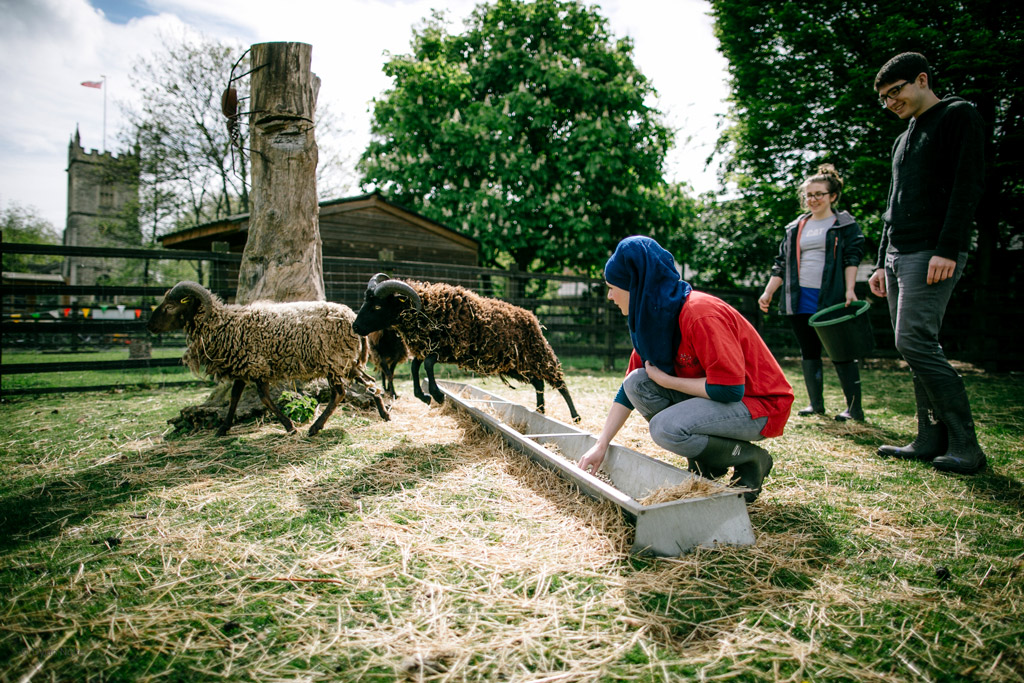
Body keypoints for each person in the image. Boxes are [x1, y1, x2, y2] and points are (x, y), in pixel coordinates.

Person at [577, 236, 794, 503]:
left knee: (665, 428)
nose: (610, 296)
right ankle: (708, 464)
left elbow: (729, 389)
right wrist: (601, 445)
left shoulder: (700, 313)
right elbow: (627, 391)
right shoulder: (653, 320)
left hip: (758, 404)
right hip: (719, 402)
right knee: (637, 383)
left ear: (636, 286)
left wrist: (668, 381)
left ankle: (751, 459)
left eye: (613, 287)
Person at [868, 52, 987, 474]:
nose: (890, 103)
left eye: (895, 92)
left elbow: (967, 184)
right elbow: (892, 205)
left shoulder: (958, 115)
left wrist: (949, 247)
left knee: (914, 341)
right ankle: (928, 438)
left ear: (921, 79)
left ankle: (966, 445)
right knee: (915, 347)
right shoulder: (903, 138)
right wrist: (882, 260)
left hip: (932, 250)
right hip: (898, 253)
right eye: (884, 98)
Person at [758, 164, 867, 421]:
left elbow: (852, 258)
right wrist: (768, 292)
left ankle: (854, 408)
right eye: (809, 194)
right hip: (799, 296)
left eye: (819, 194)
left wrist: (850, 290)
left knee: (841, 351)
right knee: (809, 350)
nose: (813, 199)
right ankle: (816, 405)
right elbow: (781, 263)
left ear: (833, 196)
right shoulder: (795, 227)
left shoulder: (844, 224)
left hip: (831, 296)